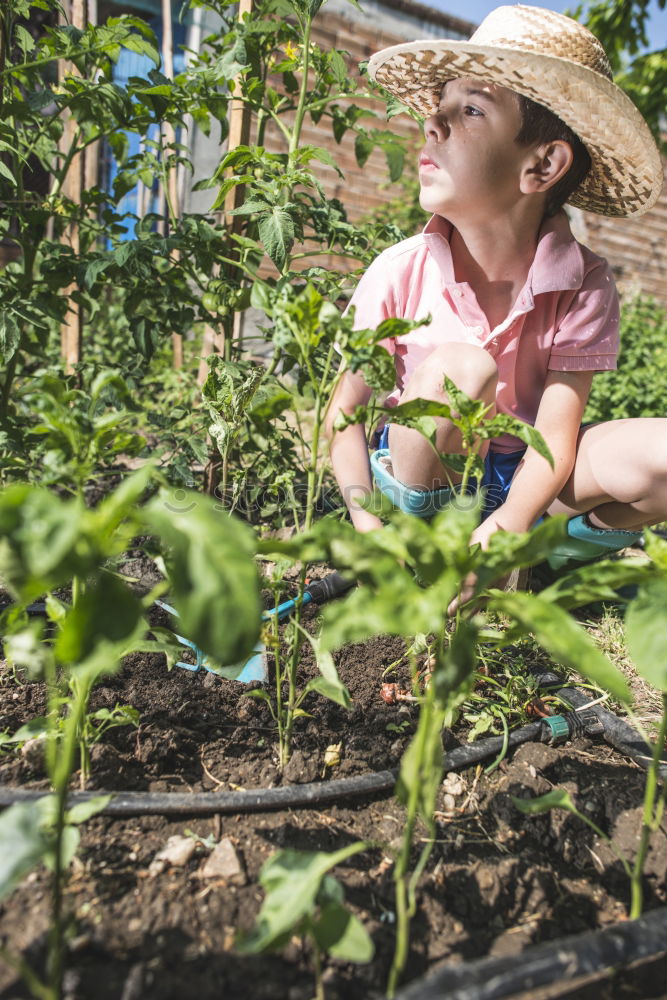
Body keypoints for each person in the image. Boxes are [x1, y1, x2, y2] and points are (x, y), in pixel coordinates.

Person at [324, 4, 665, 573]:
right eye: (441, 106)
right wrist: (366, 524)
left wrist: (505, 527)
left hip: (526, 484)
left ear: (542, 165)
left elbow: (556, 438)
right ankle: (427, 558)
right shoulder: (401, 269)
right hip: (423, 472)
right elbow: (343, 414)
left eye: (472, 109)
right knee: (460, 370)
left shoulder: (584, 282)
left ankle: (529, 562)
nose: (434, 123)